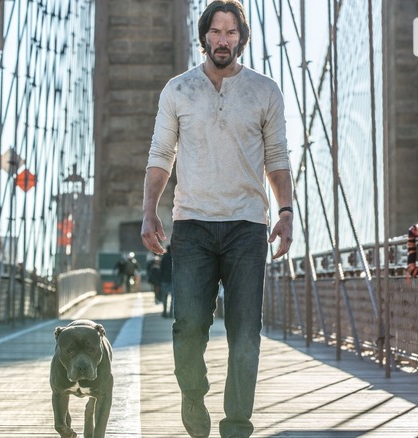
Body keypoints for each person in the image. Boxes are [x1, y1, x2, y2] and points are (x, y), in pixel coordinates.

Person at [140, 1, 293, 437]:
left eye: (230, 32)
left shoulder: (265, 91)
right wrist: (149, 211)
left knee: (246, 333)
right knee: (188, 328)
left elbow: (277, 159)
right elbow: (160, 156)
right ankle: (193, 393)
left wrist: (285, 212)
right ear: (203, 36)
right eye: (215, 31)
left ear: (241, 38)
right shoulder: (178, 90)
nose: (222, 40)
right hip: (192, 225)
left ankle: (237, 425)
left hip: (247, 226)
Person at [159, 245, 173, 318]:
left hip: (165, 280)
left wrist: (160, 279)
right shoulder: (175, 258)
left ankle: (164, 313)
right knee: (173, 298)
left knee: (164, 297)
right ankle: (171, 314)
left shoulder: (164, 258)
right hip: (173, 280)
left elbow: (161, 269)